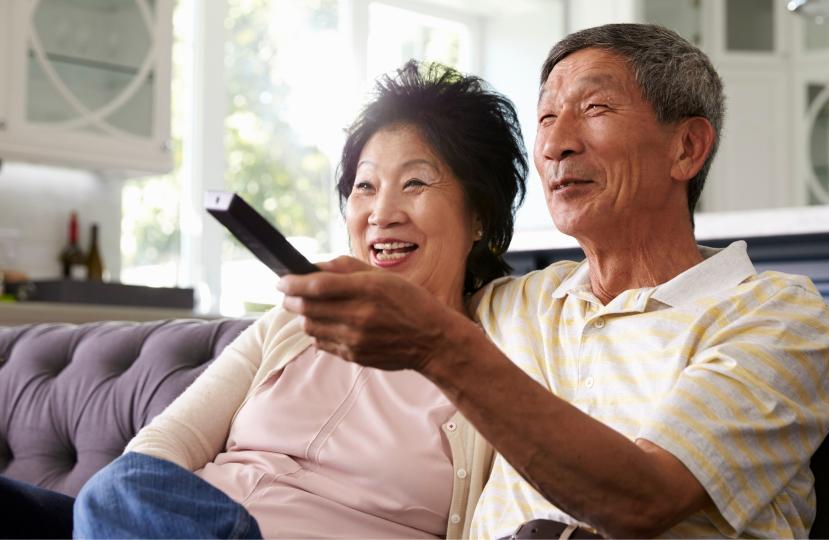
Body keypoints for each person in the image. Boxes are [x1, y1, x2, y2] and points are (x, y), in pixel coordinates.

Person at [279, 23, 829, 539]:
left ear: (686, 147)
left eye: (594, 108)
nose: (554, 145)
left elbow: (643, 500)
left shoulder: (773, 316)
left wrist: (442, 347)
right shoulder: (514, 303)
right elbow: (408, 279)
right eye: (546, 118)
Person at [0, 60, 526, 539]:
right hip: (167, 527)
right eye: (364, 188)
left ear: (479, 216)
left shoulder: (492, 360)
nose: (381, 212)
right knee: (116, 488)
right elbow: (161, 449)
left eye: (415, 183)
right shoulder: (292, 323)